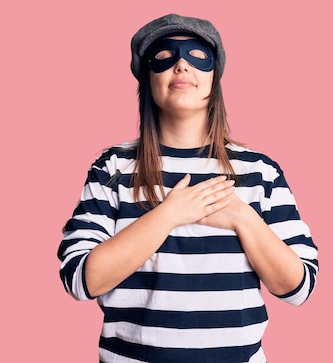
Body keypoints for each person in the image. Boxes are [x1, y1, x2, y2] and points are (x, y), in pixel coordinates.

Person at [57, 13, 319, 363]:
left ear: (215, 77)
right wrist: (169, 215)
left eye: (196, 55)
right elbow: (79, 279)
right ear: (147, 77)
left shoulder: (259, 171)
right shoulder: (113, 168)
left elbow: (299, 288)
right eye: (164, 57)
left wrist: (244, 218)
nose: (181, 66)